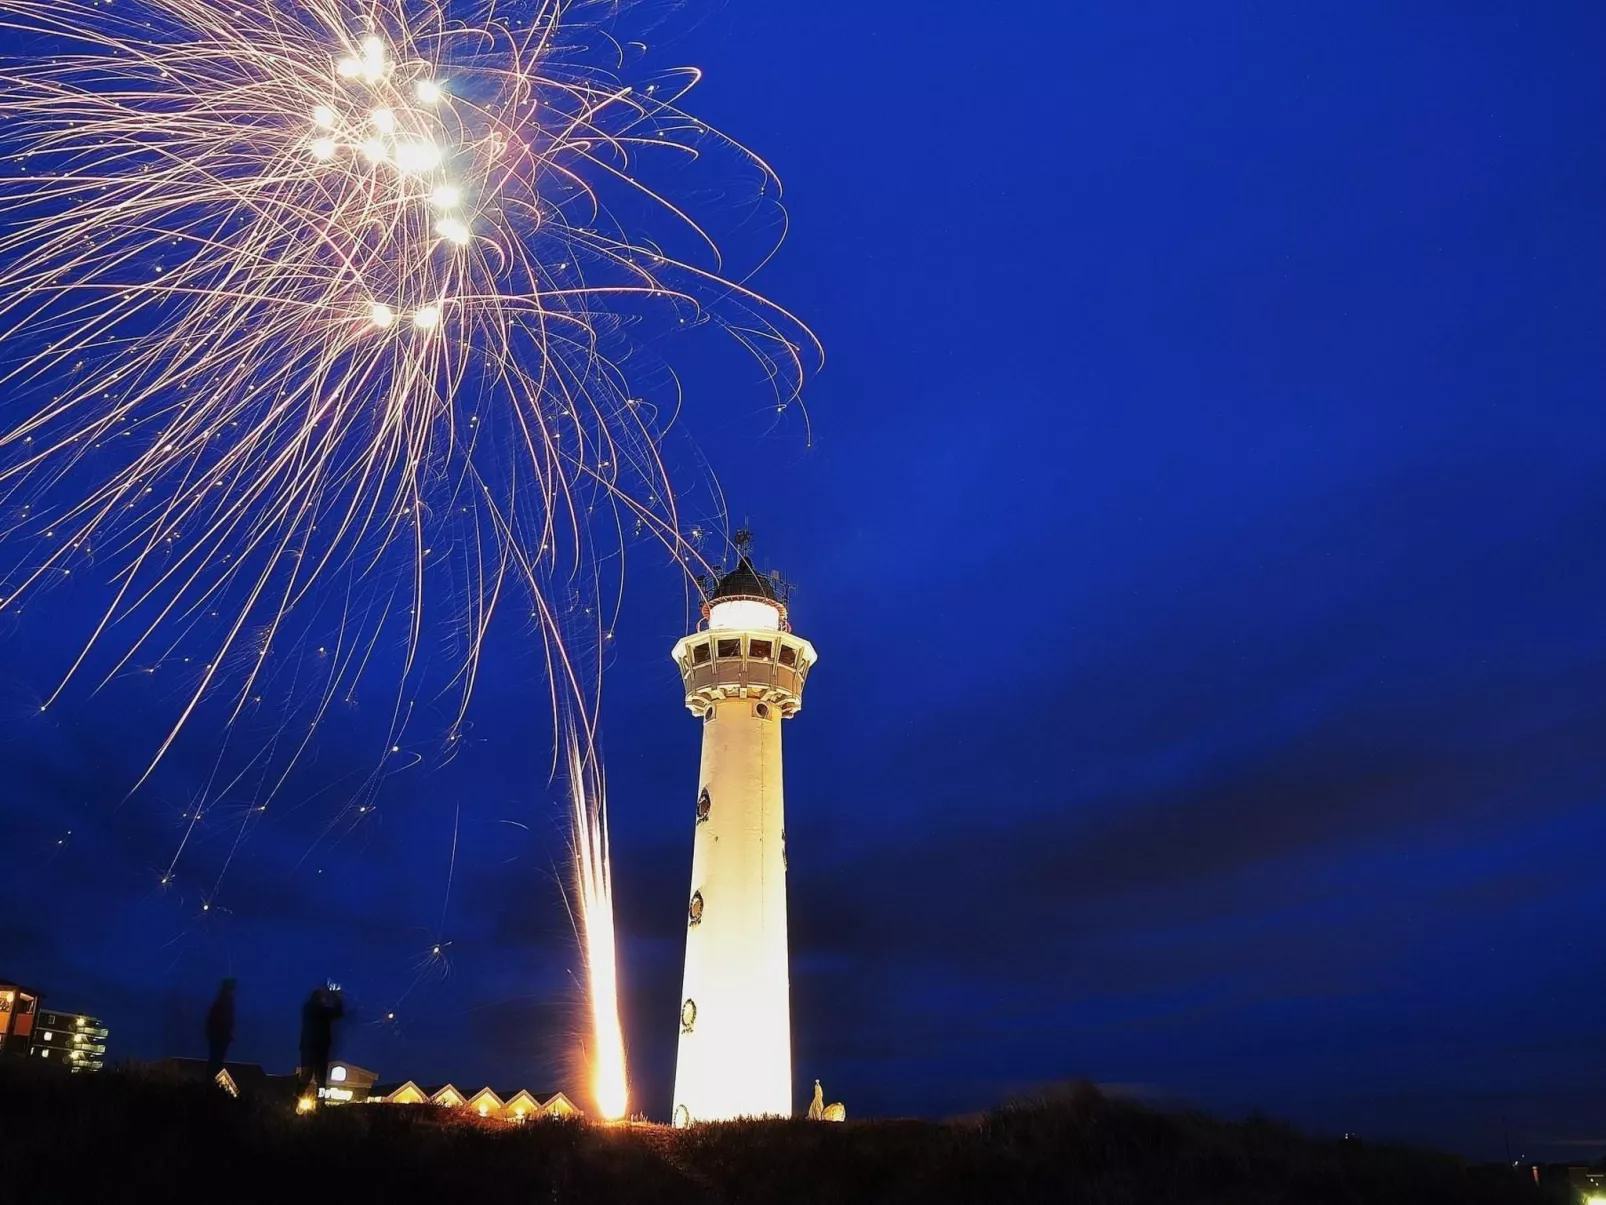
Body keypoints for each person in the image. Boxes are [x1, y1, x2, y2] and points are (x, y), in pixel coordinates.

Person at [297, 984, 344, 1097]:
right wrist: (336, 996)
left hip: (310, 1047)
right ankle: (318, 1101)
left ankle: (296, 1098)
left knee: (308, 1076)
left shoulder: (309, 1008)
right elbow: (338, 1012)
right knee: (319, 1078)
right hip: (318, 1048)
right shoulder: (319, 1010)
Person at [204, 978, 236, 1083]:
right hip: (219, 1037)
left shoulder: (221, 1001)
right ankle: (211, 1083)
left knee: (215, 1060)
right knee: (216, 1061)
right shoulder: (225, 1002)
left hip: (218, 1036)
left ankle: (210, 1081)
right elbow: (224, 1020)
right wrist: (225, 1034)